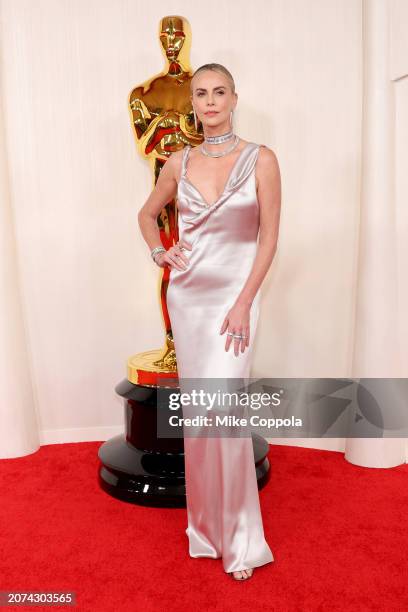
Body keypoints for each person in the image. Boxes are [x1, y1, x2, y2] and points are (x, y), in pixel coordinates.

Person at [138, 63, 281, 580]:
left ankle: (242, 538)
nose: (211, 101)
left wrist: (245, 300)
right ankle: (205, 529)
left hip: (236, 296)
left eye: (220, 92)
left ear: (234, 97)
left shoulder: (261, 159)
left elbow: (268, 237)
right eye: (202, 94)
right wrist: (161, 252)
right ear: (193, 104)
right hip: (190, 295)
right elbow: (146, 214)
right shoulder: (178, 161)